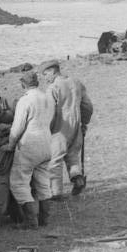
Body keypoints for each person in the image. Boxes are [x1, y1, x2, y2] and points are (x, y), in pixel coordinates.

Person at [0, 70, 54, 229]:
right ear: (37, 82)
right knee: (43, 184)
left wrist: (10, 144)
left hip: (30, 145)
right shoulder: (47, 98)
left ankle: (31, 222)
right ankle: (44, 221)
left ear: (23, 84)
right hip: (47, 143)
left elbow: (17, 127)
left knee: (18, 182)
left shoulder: (25, 100)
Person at [40, 59, 93, 198]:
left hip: (60, 129)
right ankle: (78, 179)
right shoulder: (76, 82)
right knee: (73, 156)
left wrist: (46, 130)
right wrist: (84, 124)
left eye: (45, 75)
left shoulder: (53, 88)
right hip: (76, 127)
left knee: (55, 160)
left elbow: (49, 112)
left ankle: (56, 192)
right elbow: (87, 106)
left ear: (52, 71)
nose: (45, 79)